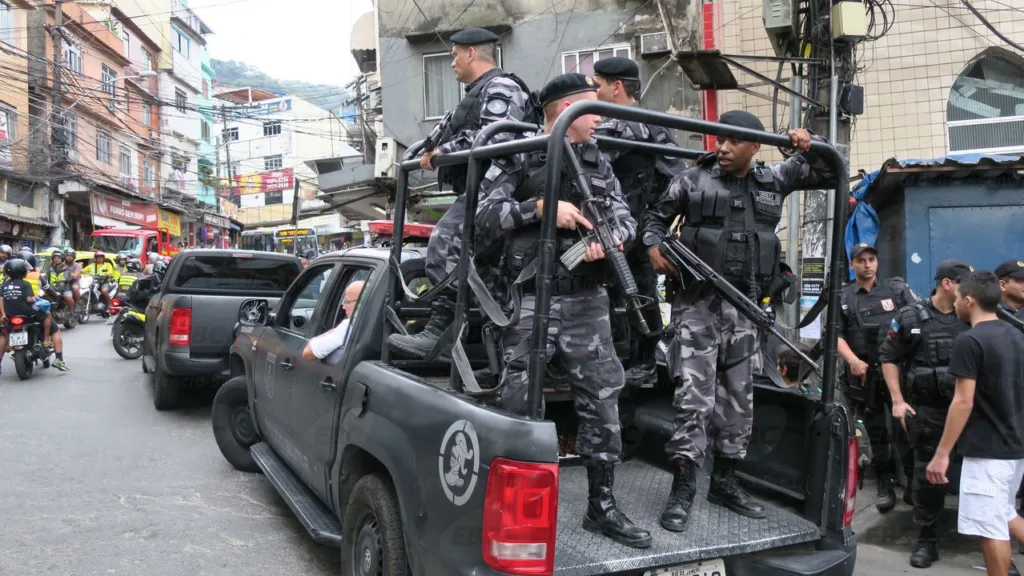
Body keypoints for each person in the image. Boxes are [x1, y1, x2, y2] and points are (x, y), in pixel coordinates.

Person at [474, 73, 650, 548]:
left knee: (603, 400)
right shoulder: (520, 152)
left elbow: (625, 219)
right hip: (533, 298)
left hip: (587, 299)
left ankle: (602, 505)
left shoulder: (597, 160)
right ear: (565, 109)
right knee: (518, 403)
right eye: (593, 110)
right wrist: (541, 208)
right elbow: (485, 215)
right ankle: (509, 508)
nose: (600, 120)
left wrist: (609, 238)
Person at [643, 110, 835, 531]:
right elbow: (653, 221)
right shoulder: (691, 181)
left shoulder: (775, 180)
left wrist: (807, 141)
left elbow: (829, 169)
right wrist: (654, 245)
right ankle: (684, 486)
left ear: (755, 146)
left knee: (739, 398)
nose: (723, 147)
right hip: (697, 305)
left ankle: (725, 481)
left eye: (733, 141)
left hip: (746, 310)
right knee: (694, 398)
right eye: (719, 140)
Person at [387, 27, 539, 360]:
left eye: (454, 54)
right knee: (481, 269)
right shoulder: (476, 92)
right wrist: (432, 149)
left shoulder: (502, 87)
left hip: (498, 180)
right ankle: (506, 344)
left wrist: (444, 152)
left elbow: (496, 138)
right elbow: (446, 136)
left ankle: (442, 331)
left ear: (471, 52)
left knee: (445, 243)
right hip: (480, 182)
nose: (452, 62)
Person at [592, 56, 687, 386]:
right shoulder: (654, 124)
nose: (594, 92)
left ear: (616, 87)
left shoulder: (618, 125)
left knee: (622, 292)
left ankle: (635, 359)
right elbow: (678, 177)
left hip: (619, 229)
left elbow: (587, 169)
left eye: (598, 85)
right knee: (636, 292)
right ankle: (642, 359)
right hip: (638, 226)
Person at [925, 271, 1024, 576]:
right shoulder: (1016, 335)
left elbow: (963, 401)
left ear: (969, 301)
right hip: (1014, 450)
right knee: (1005, 513)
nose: (953, 304)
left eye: (957, 299)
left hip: (988, 454)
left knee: (990, 528)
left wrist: (942, 454)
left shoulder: (969, 341)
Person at [879, 259, 972, 568]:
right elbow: (888, 356)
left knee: (979, 477)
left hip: (970, 412)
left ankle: (991, 540)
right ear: (948, 283)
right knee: (927, 477)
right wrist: (897, 400)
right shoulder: (910, 317)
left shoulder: (974, 316)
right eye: (964, 283)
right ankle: (927, 539)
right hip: (929, 411)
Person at [836, 242, 917, 512]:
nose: (868, 264)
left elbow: (916, 322)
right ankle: (884, 483)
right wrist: (853, 361)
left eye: (872, 259)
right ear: (852, 265)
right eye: (862, 261)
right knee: (877, 432)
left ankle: (913, 485)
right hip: (864, 376)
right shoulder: (845, 297)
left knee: (905, 428)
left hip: (898, 373)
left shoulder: (896, 290)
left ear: (877, 263)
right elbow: (834, 336)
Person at [0, 259, 68, 372]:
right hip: (27, 314)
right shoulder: (27, 283)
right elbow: (29, 299)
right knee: (47, 315)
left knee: (3, 334)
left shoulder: (4, 285)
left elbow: (1, 300)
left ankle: (5, 346)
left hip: (9, 315)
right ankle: (47, 342)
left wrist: (3, 314)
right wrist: (35, 298)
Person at [302, 280, 365, 361]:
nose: (343, 307)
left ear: (361, 302)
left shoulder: (349, 326)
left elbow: (307, 353)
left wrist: (315, 339)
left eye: (346, 302)